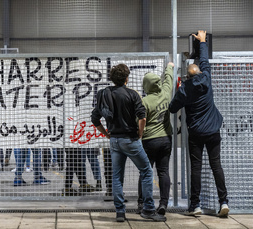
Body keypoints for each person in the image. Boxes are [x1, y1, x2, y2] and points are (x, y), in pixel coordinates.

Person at [91, 63, 166, 222]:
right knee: (146, 171)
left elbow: (95, 118)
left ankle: (120, 212)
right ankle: (148, 209)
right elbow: (142, 117)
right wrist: (140, 133)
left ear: (112, 78)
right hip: (130, 140)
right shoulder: (133, 94)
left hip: (115, 141)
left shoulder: (103, 94)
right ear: (127, 78)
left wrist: (106, 134)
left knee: (117, 176)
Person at [169, 30, 229, 217]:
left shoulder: (184, 90)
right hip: (213, 131)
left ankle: (195, 205)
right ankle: (224, 202)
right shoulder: (206, 79)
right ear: (200, 73)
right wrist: (202, 41)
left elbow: (172, 108)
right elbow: (204, 60)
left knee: (196, 168)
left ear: (187, 77)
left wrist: (179, 92)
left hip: (195, 133)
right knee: (216, 165)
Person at [136, 62, 174, 215]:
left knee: (145, 172)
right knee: (163, 171)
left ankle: (142, 203)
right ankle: (163, 203)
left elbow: (138, 121)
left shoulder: (144, 102)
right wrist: (169, 67)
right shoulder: (166, 94)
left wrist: (139, 134)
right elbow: (168, 80)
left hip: (149, 140)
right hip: (166, 139)